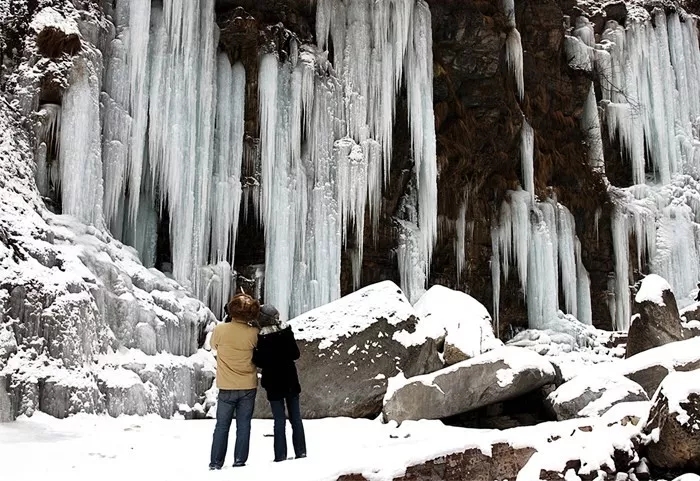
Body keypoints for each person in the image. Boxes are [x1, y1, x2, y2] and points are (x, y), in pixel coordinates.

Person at [209, 293, 260, 470]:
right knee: (244, 425)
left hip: (226, 385)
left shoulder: (220, 330)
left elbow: (213, 346)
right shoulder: (254, 333)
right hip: (248, 385)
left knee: (222, 426)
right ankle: (239, 460)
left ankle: (216, 462)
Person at [252, 304, 307, 462]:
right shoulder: (286, 331)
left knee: (279, 420)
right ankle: (301, 452)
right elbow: (295, 354)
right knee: (296, 418)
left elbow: (260, 361)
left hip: (273, 383)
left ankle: (280, 455)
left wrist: (256, 353)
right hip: (290, 380)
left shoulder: (262, 337)